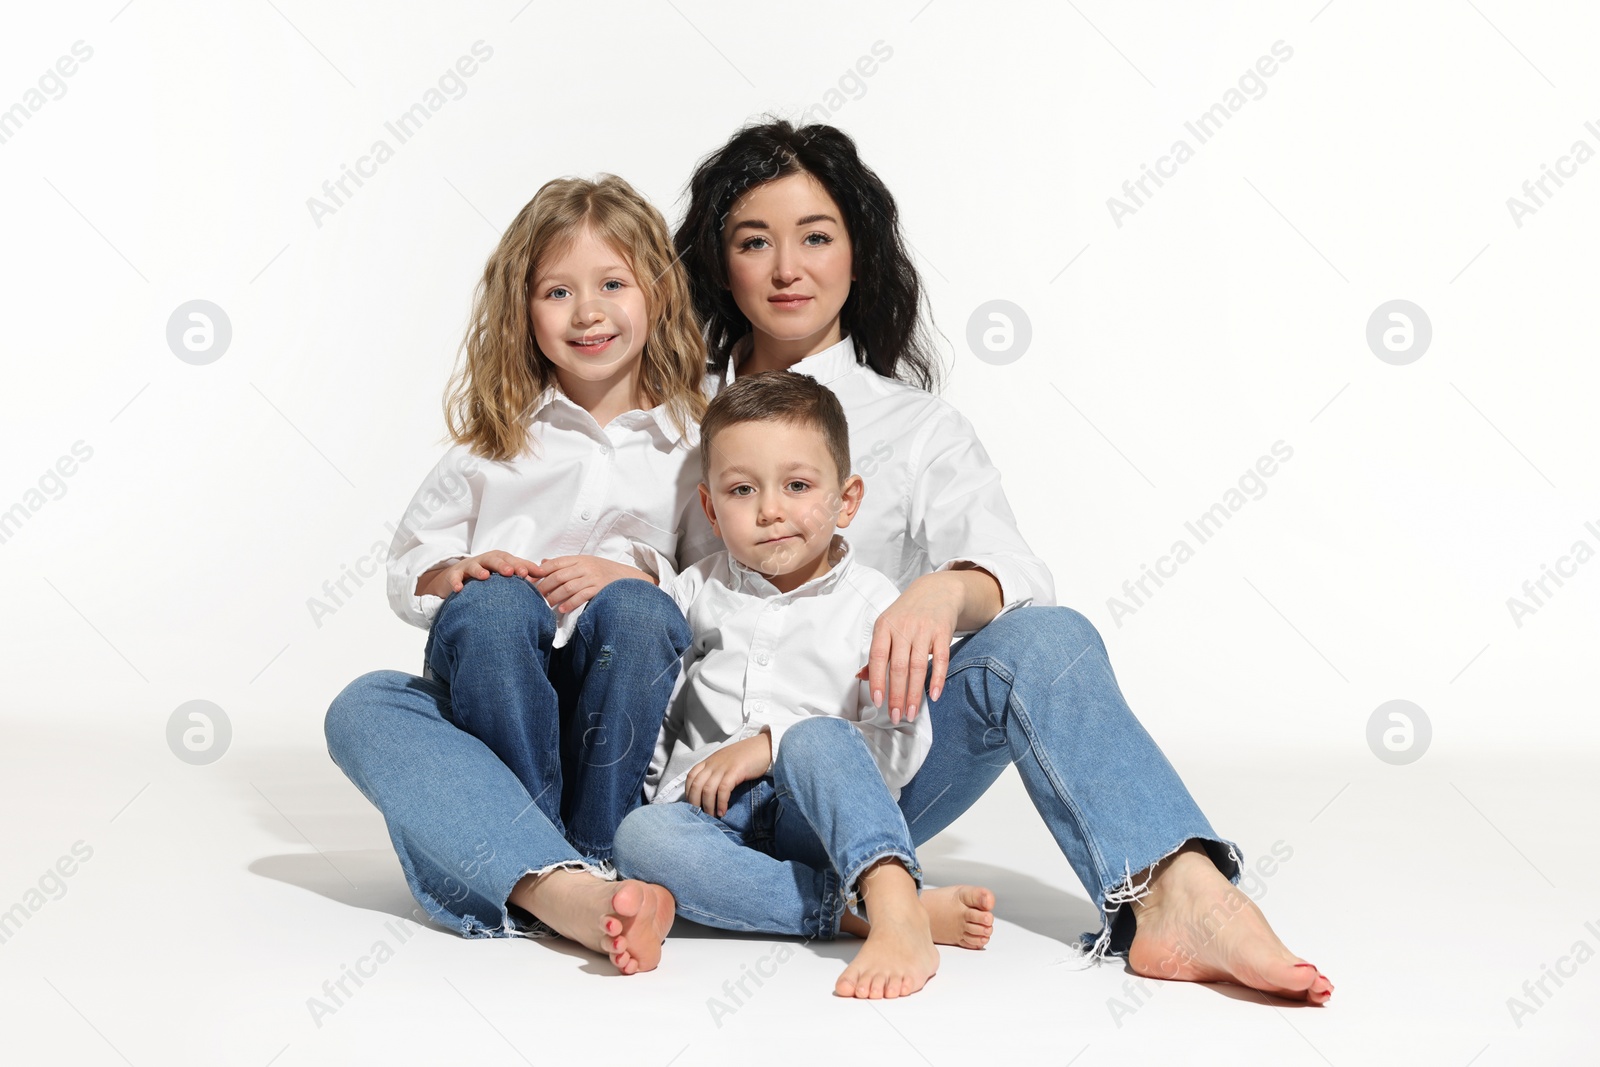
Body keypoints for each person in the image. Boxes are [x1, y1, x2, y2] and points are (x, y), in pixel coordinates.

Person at [669, 119, 1332, 1003]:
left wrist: (945, 589)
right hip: (704, 785)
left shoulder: (917, 427)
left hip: (862, 769)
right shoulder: (673, 421)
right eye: (756, 241)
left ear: (858, 255)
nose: (788, 268)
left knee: (1048, 639)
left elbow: (1019, 570)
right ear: (722, 264)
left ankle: (1179, 894)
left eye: (817, 237)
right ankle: (873, 907)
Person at [324, 174, 715, 974]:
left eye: (613, 284)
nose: (588, 312)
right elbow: (405, 568)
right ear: (522, 311)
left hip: (621, 713)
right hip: (499, 698)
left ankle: (591, 860)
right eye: (557, 291)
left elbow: (723, 588)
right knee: (453, 639)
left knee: (639, 613)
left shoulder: (697, 443)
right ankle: (554, 862)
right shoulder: (493, 442)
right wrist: (457, 571)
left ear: (659, 296)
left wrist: (636, 575)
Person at [613, 369, 996, 1000]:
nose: (770, 510)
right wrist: (665, 791)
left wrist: (773, 743)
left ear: (847, 500)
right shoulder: (694, 592)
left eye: (797, 485)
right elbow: (661, 708)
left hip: (818, 820)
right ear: (710, 508)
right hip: (713, 819)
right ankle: (861, 914)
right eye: (742, 490)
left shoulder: (877, 606)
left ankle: (891, 892)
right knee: (641, 838)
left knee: (818, 738)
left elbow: (899, 748)